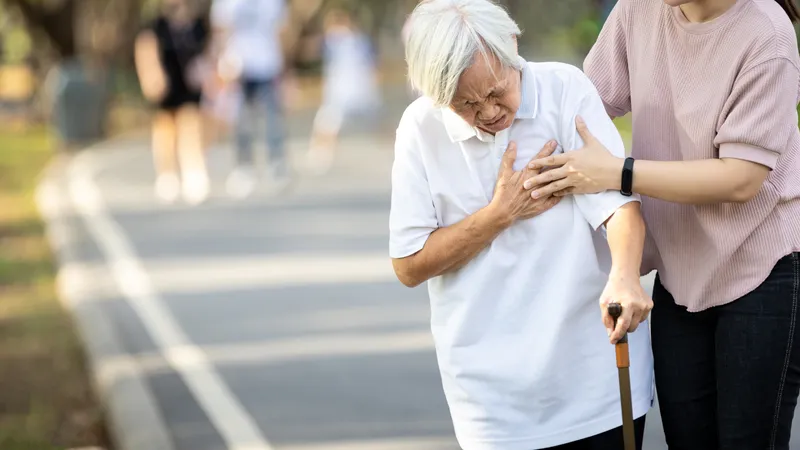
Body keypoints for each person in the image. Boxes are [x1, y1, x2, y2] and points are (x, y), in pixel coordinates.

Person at [523, 0, 800, 448]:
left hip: (764, 271)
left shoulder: (767, 34)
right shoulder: (639, 9)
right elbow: (582, 105)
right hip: (679, 275)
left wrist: (621, 171)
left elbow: (741, 177)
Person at [390, 1, 654, 448]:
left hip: (594, 381)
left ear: (512, 46)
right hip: (490, 402)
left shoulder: (565, 90)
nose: (488, 112)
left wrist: (625, 277)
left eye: (496, 92)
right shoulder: (420, 128)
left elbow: (618, 207)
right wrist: (499, 215)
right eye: (466, 104)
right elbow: (409, 265)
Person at [210, 0, 290, 198]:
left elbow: (282, 32)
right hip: (239, 67)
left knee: (272, 119)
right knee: (242, 119)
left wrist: (286, 69)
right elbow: (220, 31)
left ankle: (276, 164)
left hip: (268, 66)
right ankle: (244, 168)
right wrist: (222, 62)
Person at [134, 0, 211, 205]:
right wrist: (150, 75)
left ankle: (194, 173)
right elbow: (145, 49)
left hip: (190, 86)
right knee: (165, 131)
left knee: (191, 127)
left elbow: (208, 52)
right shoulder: (156, 26)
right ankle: (167, 174)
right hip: (166, 85)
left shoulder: (197, 26)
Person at [305, 8, 382, 175]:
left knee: (326, 124)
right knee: (377, 124)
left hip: (344, 93)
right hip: (361, 92)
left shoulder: (336, 40)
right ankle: (401, 146)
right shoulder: (361, 40)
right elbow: (372, 66)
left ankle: (321, 155)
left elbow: (311, 49)